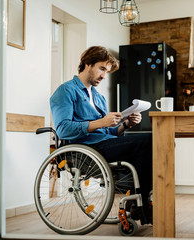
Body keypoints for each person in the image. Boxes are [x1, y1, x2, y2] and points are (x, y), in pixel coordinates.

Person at [50, 46, 152, 224]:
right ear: (88, 64)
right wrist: (101, 122)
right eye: (102, 69)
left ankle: (140, 200)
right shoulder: (65, 91)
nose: (104, 76)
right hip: (86, 150)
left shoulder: (98, 97)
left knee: (158, 141)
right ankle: (140, 203)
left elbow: (108, 131)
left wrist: (126, 124)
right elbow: (63, 129)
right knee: (149, 142)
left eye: (107, 71)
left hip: (105, 144)